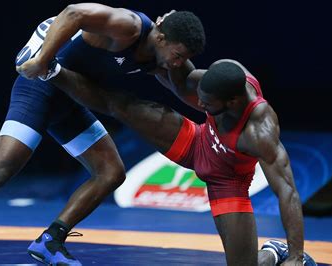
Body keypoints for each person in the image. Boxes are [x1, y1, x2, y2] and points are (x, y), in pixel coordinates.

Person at [0, 3, 205, 266]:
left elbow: (188, 91)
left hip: (69, 101)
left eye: (184, 58)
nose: (178, 63)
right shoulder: (128, 26)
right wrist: (41, 59)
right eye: (178, 56)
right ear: (161, 38)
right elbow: (73, 13)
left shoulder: (165, 58)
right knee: (0, 170)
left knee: (111, 173)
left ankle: (51, 240)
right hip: (40, 88)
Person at [46, 59, 317, 265]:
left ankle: (274, 252)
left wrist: (296, 255)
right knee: (124, 106)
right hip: (198, 141)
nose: (199, 103)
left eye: (207, 103)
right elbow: (178, 76)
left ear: (233, 101)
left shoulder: (260, 132)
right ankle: (52, 72)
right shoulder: (224, 73)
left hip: (228, 181)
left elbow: (287, 192)